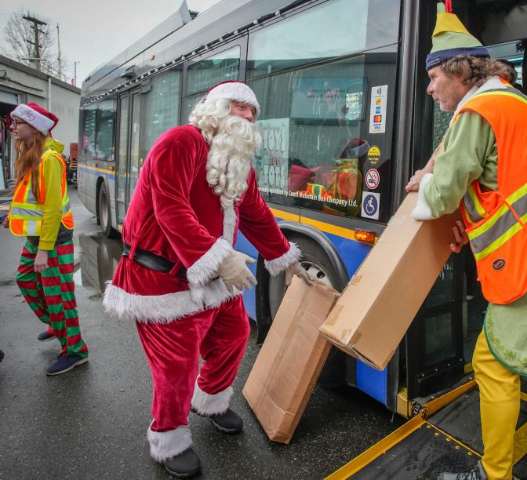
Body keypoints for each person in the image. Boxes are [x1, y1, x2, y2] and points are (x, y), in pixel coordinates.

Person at [406, 5, 527, 479]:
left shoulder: (477, 110)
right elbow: (501, 187)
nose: (430, 88)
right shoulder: (513, 101)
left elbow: (445, 190)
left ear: (459, 70)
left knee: (492, 362)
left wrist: (422, 186)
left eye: (434, 77)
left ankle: (493, 475)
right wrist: (469, 225)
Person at [102, 81, 312, 478]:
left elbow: (256, 214)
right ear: (215, 108)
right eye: (239, 107)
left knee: (233, 333)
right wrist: (221, 258)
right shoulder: (179, 142)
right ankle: (167, 437)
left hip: (208, 277)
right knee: (176, 365)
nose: (248, 116)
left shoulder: (236, 162)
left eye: (253, 112)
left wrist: (284, 259)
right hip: (160, 280)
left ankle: (211, 400)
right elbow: (171, 209)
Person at [4, 103, 89, 375]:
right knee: (26, 279)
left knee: (60, 296)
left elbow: (52, 208)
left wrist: (44, 250)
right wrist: (11, 218)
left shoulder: (49, 159)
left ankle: (76, 351)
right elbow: (30, 199)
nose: (13, 127)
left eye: (18, 122)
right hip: (39, 236)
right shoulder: (32, 154)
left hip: (52, 240)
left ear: (34, 126)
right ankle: (56, 323)